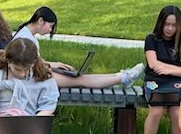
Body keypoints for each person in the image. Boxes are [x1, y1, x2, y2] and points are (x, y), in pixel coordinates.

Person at [14, 6, 144, 88]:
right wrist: (51, 67)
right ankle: (124, 77)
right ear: (41, 21)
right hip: (32, 79)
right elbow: (29, 66)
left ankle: (123, 76)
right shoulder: (25, 38)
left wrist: (56, 64)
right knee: (81, 79)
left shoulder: (27, 35)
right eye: (50, 25)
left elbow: (36, 61)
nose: (50, 30)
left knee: (81, 77)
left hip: (36, 75)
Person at [142, 5, 181, 134]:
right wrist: (176, 69)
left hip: (175, 84)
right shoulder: (152, 39)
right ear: (161, 23)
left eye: (174, 25)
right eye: (167, 24)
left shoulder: (180, 42)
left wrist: (168, 70)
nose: (170, 29)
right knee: (156, 112)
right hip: (155, 81)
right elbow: (153, 64)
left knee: (177, 114)